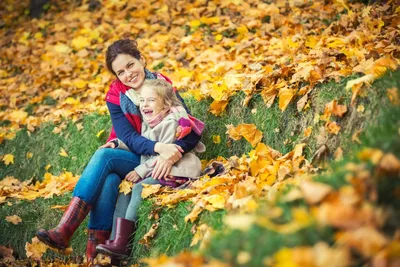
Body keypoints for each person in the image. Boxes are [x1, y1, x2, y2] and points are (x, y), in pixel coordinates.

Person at [35, 39, 202, 266]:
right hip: (138, 150)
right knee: (110, 176)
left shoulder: (161, 86)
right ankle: (98, 255)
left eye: (131, 65)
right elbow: (128, 138)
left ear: (141, 59)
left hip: (153, 155)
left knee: (105, 159)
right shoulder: (116, 97)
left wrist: (174, 151)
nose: (128, 74)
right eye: (120, 72)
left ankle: (70, 232)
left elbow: (189, 127)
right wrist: (157, 148)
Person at [96, 80, 204, 259]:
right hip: (158, 169)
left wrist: (140, 170)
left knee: (140, 187)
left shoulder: (171, 122)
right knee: (125, 190)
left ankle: (123, 243)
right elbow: (144, 144)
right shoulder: (150, 122)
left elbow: (165, 157)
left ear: (166, 104)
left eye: (151, 100)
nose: (145, 105)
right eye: (142, 100)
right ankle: (115, 242)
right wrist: (118, 144)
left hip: (176, 170)